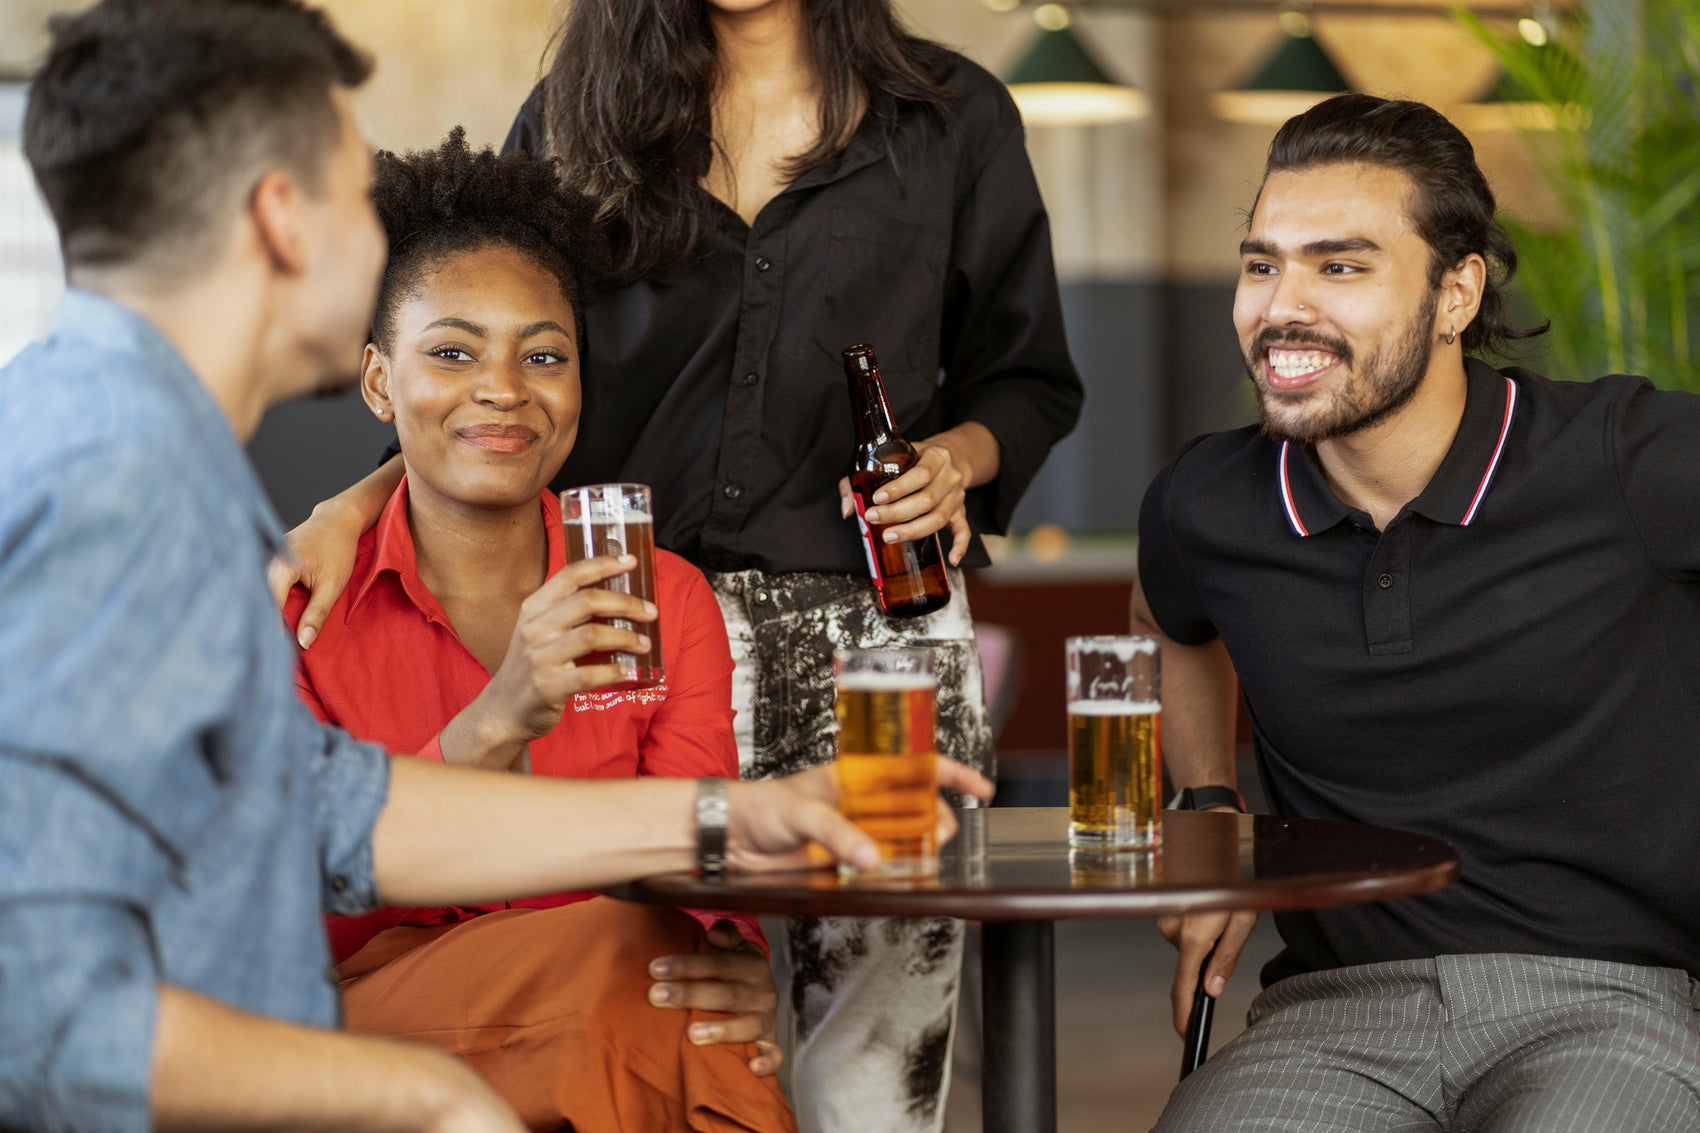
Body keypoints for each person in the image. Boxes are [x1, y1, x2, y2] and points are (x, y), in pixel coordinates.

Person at [0, 4, 990, 1132]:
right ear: (284, 217)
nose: (380, 236)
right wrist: (420, 1092)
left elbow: (336, 817)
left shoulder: (116, 434)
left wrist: (731, 820)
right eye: (352, 192)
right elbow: (44, 1012)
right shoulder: (112, 479)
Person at [275, 1, 1081, 1127]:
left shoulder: (949, 119)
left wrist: (956, 456)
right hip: (645, 625)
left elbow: (1029, 377)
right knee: (665, 982)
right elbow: (483, 357)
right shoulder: (573, 117)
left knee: (873, 1065)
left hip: (881, 645)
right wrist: (350, 503)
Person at [1139, 93, 1700, 1131]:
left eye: (1338, 266)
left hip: (1609, 1004)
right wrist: (1206, 800)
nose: (1279, 306)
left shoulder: (1626, 459)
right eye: (1262, 263)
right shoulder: (1206, 500)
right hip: (1329, 1014)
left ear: (1455, 293)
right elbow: (1171, 613)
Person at [285, 128, 793, 1132]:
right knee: (635, 992)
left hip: (604, 1004)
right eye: (453, 350)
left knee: (676, 1011)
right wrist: (497, 718)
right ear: (382, 381)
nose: (503, 387)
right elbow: (286, 911)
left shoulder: (660, 593)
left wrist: (729, 961)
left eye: (544, 354)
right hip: (356, 1020)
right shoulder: (298, 609)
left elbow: (696, 868)